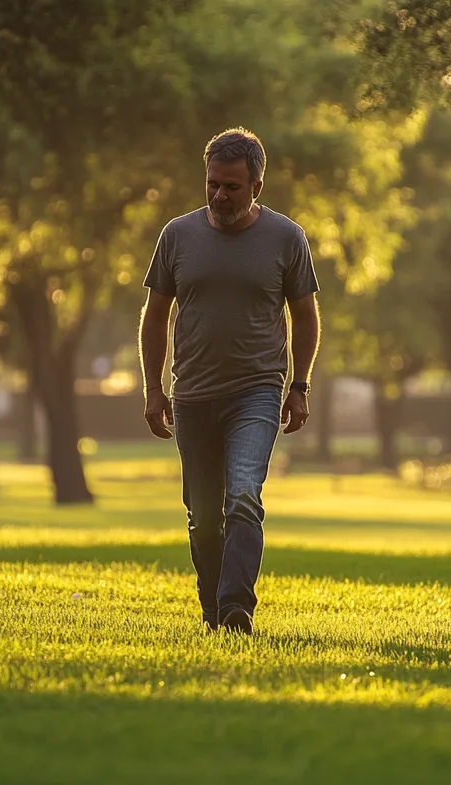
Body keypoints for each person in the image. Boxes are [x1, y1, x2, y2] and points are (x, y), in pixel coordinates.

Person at [138, 127, 321, 636]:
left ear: (257, 187)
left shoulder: (287, 238)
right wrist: (154, 388)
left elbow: (305, 317)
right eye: (212, 184)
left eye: (232, 187)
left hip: (257, 391)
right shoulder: (177, 235)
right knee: (202, 515)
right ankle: (213, 611)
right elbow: (155, 316)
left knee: (242, 495)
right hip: (192, 394)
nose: (220, 196)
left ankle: (237, 609)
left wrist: (299, 386)